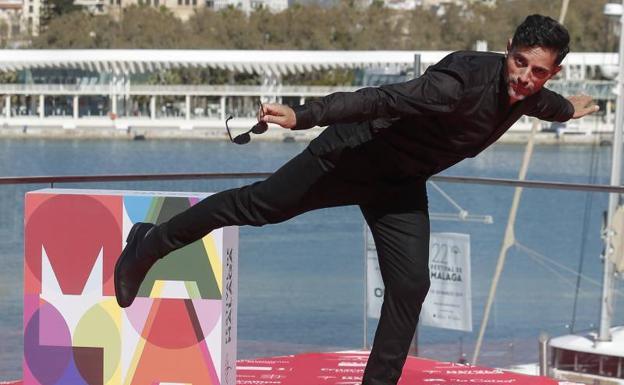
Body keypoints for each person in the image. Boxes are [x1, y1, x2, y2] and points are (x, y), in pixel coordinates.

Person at [115, 14, 599, 385]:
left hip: (399, 185)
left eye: (538, 72)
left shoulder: (535, 95)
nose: (524, 78)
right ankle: (148, 246)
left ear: (551, 72)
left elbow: (548, 104)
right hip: (349, 155)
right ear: (508, 49)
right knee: (254, 207)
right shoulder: (458, 82)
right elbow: (381, 99)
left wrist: (570, 111)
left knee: (410, 287)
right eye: (519, 63)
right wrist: (305, 115)